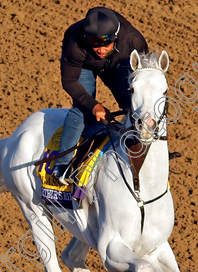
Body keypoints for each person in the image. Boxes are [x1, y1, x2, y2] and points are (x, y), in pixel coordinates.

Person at [52, 7, 148, 184]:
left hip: (118, 63)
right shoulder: (74, 41)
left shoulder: (134, 41)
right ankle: (62, 166)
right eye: (94, 44)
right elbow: (70, 82)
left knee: (132, 103)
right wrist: (93, 105)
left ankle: (143, 153)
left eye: (105, 44)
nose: (100, 49)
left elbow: (144, 80)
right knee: (82, 110)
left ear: (116, 38)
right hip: (85, 66)